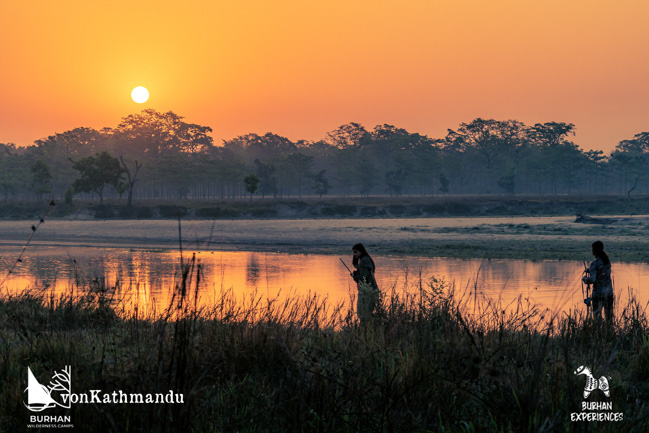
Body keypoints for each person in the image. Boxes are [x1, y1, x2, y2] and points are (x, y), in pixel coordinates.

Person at [582, 240, 614, 322]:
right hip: (609, 293)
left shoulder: (594, 263)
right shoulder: (607, 261)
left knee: (596, 318)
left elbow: (592, 279)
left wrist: (585, 279)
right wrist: (590, 270)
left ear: (594, 250)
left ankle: (599, 333)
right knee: (609, 319)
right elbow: (602, 272)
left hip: (598, 294)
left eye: (592, 249)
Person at [350, 243, 380, 324]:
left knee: (362, 314)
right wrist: (356, 274)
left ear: (361, 251)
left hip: (366, 291)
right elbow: (366, 275)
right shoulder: (367, 259)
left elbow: (364, 280)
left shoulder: (363, 261)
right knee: (369, 313)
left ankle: (366, 332)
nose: (354, 254)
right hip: (373, 290)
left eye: (355, 252)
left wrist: (354, 276)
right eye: (353, 252)